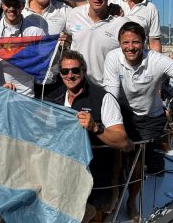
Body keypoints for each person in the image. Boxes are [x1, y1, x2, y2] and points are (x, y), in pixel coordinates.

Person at [103, 21, 173, 219]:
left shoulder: (156, 60)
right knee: (117, 158)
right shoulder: (112, 58)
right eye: (125, 42)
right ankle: (115, 193)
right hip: (124, 113)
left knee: (137, 165)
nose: (130, 47)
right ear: (119, 43)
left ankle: (131, 202)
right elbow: (111, 93)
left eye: (135, 42)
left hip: (149, 119)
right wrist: (114, 128)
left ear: (144, 43)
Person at [43, 50, 133, 221]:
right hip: (62, 174)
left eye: (75, 70)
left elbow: (122, 141)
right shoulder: (53, 97)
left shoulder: (103, 98)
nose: (70, 75)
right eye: (65, 71)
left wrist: (95, 128)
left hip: (95, 178)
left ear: (84, 71)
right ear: (60, 74)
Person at [66, 0, 130, 88]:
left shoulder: (122, 23)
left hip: (107, 88)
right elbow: (68, 37)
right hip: (76, 85)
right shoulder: (74, 15)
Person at [0, 0, 47, 97]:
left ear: (22, 6)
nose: (11, 8)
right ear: (2, 5)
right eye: (8, 4)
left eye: (16, 4)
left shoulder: (36, 32)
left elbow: (45, 64)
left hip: (25, 96)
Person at [22, 0, 71, 97]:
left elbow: (86, 14)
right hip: (24, 82)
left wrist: (68, 41)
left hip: (53, 81)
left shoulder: (64, 10)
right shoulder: (19, 11)